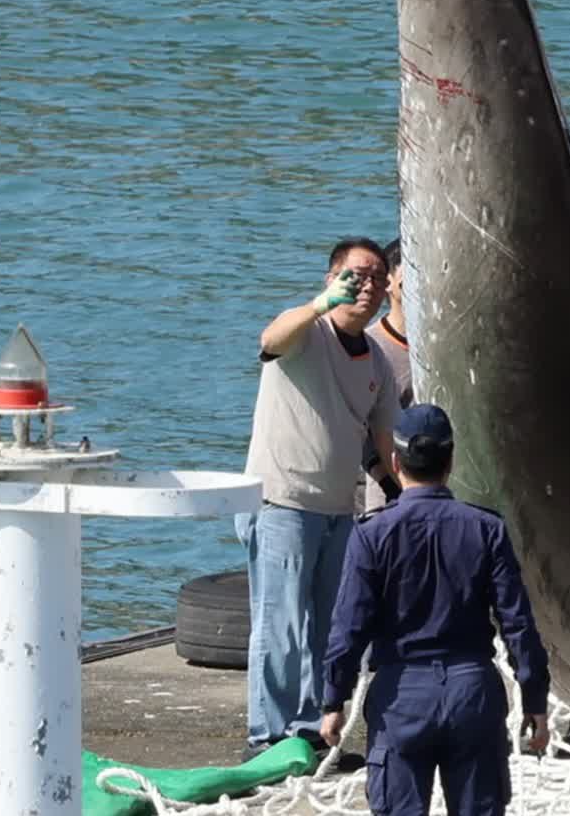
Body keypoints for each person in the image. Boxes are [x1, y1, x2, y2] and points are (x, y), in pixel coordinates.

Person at [320, 403, 552, 816]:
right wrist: (535, 701)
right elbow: (518, 624)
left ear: (395, 461)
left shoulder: (372, 534)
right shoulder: (487, 528)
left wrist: (333, 701)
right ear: (451, 460)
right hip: (472, 692)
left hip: (401, 696)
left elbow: (349, 627)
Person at [238, 236, 404, 753]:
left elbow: (379, 442)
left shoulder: (375, 360)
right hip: (281, 501)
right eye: (356, 276)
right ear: (332, 279)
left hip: (339, 509)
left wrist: (403, 495)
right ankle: (267, 736)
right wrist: (318, 305)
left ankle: (311, 732)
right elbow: (269, 340)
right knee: (281, 626)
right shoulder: (307, 332)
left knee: (329, 629)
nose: (369, 286)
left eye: (378, 277)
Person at [362, 238, 415, 514]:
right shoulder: (369, 346)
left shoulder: (449, 343)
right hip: (385, 498)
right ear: (389, 285)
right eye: (409, 281)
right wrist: (389, 482)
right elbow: (358, 429)